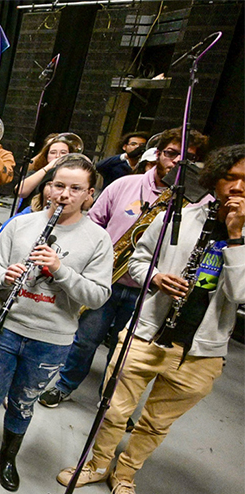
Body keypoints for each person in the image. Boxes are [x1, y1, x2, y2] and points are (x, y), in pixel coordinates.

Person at [53, 145, 244, 494]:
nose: (238, 187)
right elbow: (138, 261)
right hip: (147, 334)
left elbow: (242, 294)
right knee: (114, 408)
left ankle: (125, 476)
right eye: (231, 177)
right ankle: (97, 464)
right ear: (214, 180)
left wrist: (237, 238)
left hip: (202, 352)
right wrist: (155, 277)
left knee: (156, 424)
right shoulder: (179, 217)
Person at [0, 154, 113, 491]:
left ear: (89, 194)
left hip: (51, 338)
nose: (64, 195)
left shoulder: (98, 239)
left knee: (24, 402)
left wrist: (60, 269)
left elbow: (98, 296)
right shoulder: (20, 224)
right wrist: (4, 276)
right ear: (48, 186)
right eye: (58, 185)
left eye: (75, 188)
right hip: (4, 327)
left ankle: (7, 458)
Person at [39, 127, 206, 407]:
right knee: (85, 339)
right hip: (108, 278)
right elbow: (93, 223)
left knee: (126, 348)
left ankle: (112, 399)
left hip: (151, 290)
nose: (176, 162)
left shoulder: (197, 203)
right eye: (171, 153)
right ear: (158, 153)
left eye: (186, 158)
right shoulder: (125, 185)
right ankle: (65, 385)